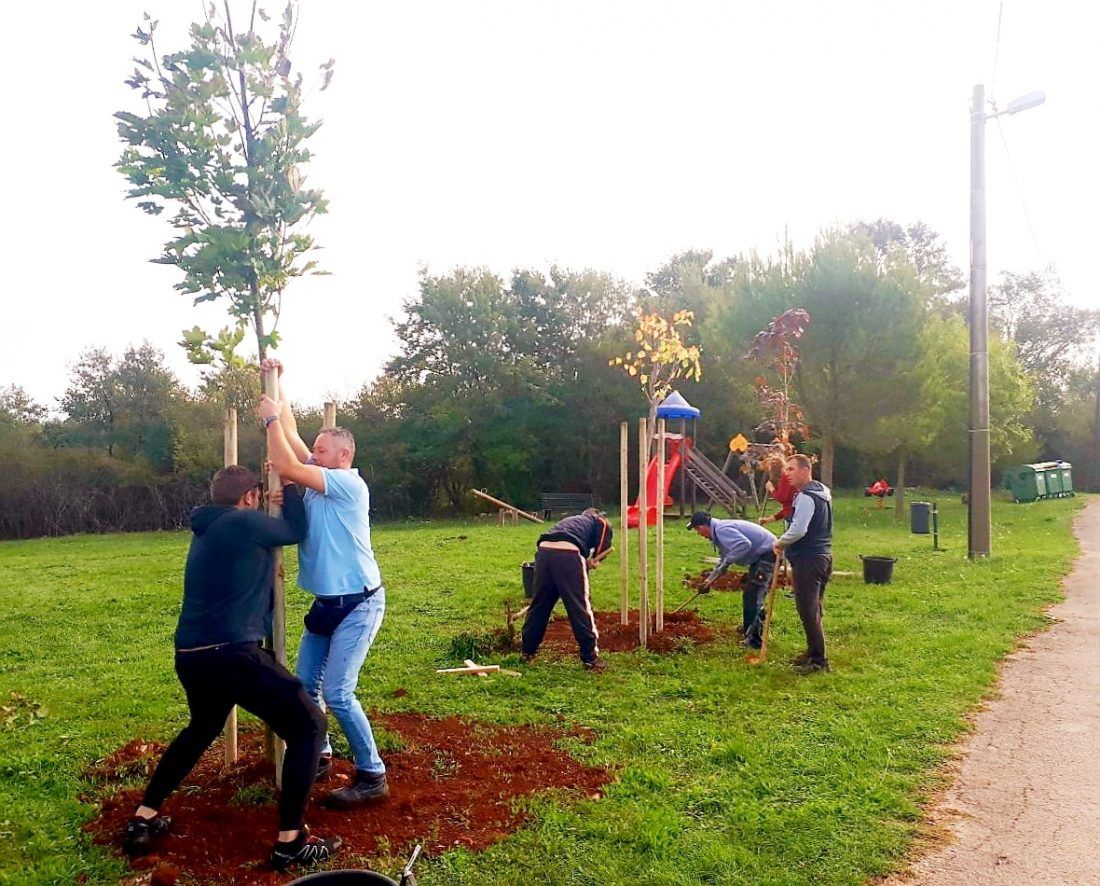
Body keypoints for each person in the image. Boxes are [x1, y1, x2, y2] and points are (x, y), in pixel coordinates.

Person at [122, 466, 341, 872]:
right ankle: (291, 842)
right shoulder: (242, 523)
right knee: (309, 726)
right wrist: (291, 484)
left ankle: (144, 816)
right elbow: (295, 530)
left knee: (202, 728)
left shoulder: (206, 528)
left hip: (192, 654)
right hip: (232, 653)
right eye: (257, 496)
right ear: (250, 497)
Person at [259, 363, 388, 808]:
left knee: (337, 692)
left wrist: (269, 419)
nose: (313, 453)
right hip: (326, 604)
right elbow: (293, 439)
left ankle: (372, 774)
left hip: (359, 603)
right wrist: (277, 383)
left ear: (343, 455)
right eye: (314, 449)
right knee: (304, 686)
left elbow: (284, 461)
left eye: (321, 449)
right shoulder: (318, 474)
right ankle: (322, 754)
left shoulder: (347, 484)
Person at [521, 508, 613, 670]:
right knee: (579, 606)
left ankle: (527, 651)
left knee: (540, 604)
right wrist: (596, 559)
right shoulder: (597, 520)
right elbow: (605, 536)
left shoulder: (572, 521)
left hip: (544, 551)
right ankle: (590, 658)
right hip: (568, 553)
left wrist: (586, 559)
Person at [773, 454, 833, 674]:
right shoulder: (823, 491)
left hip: (809, 559)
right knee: (813, 608)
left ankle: (818, 661)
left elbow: (799, 529)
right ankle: (813, 651)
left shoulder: (807, 496)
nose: (786, 473)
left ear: (805, 470)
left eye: (791, 469)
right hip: (824, 556)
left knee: (808, 610)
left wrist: (780, 542)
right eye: (786, 469)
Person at [687, 513, 777, 649]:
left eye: (697, 530)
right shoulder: (719, 532)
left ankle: (754, 640)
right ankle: (750, 628)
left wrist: (728, 561)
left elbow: (744, 545)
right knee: (751, 595)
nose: (699, 534)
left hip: (769, 555)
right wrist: (708, 581)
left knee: (753, 596)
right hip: (762, 556)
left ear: (703, 527)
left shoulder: (722, 530)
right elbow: (723, 561)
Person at [759, 454, 796, 526]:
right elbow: (787, 509)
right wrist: (768, 520)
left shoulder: (785, 478)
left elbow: (781, 498)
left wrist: (771, 488)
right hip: (793, 514)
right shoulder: (786, 479)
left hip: (794, 516)